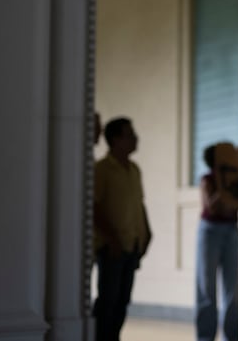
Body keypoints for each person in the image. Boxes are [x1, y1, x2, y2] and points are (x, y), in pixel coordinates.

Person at [93, 117, 152, 341]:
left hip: (132, 245)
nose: (135, 138)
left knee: (122, 303)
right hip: (112, 248)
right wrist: (112, 239)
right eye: (130, 134)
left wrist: (147, 232)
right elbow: (94, 207)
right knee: (107, 302)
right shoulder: (102, 169)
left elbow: (139, 203)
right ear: (115, 140)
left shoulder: (134, 169)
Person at [196, 144, 238, 341]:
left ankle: (231, 338)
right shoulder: (207, 180)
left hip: (231, 231)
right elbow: (211, 207)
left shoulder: (237, 177)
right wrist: (224, 186)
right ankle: (205, 337)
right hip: (210, 231)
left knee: (232, 292)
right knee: (206, 289)